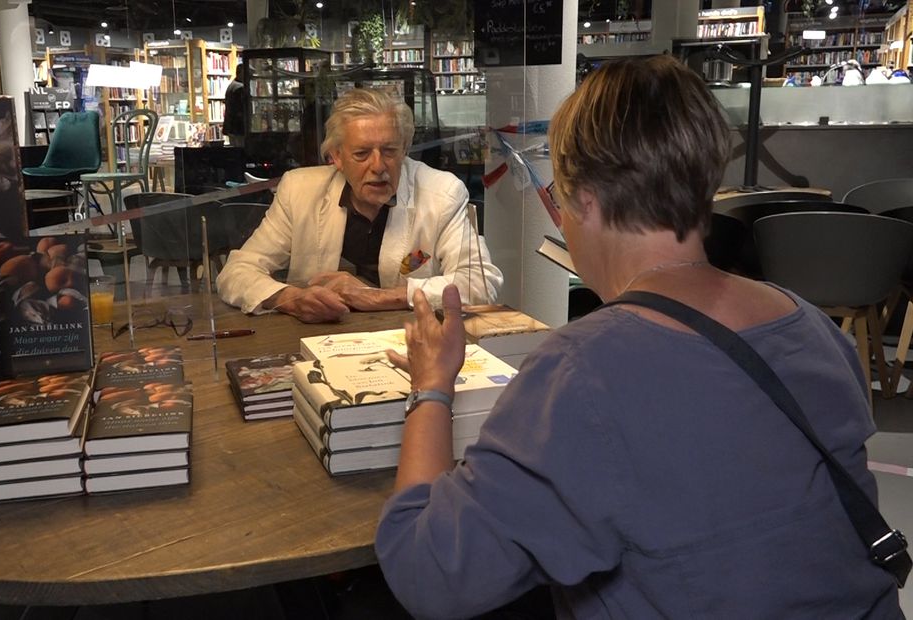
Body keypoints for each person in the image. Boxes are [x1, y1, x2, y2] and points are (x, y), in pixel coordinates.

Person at [376, 56, 901, 618]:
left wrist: (431, 388)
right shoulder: (813, 328)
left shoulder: (582, 371)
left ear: (583, 198)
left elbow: (427, 572)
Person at [216, 87, 502, 323]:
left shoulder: (442, 193)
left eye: (389, 151)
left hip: (408, 343)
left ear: (404, 149)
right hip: (315, 342)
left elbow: (479, 282)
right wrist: (291, 298)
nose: (378, 166)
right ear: (336, 157)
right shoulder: (299, 191)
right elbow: (236, 272)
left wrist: (375, 297)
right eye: (362, 154)